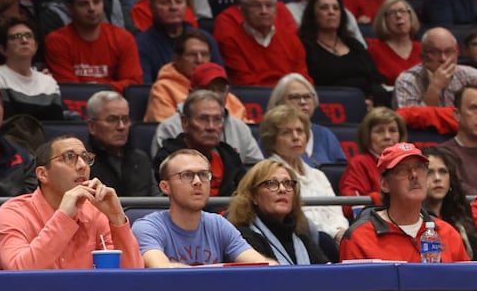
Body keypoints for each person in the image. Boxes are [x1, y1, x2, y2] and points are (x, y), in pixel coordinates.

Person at [0, 136, 144, 270]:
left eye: (86, 158)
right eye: (69, 157)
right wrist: (64, 217)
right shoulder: (12, 214)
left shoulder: (97, 214)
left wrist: (117, 219)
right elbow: (19, 272)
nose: (82, 165)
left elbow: (132, 279)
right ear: (43, 174)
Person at [133, 149, 270, 267]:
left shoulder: (218, 224)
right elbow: (161, 269)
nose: (198, 182)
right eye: (187, 175)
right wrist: (221, 269)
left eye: (203, 174)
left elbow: (262, 266)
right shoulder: (148, 227)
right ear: (165, 187)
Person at [340, 143, 470, 262]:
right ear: (384, 184)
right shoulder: (359, 237)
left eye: (419, 168)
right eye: (403, 169)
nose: (414, 175)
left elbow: (467, 284)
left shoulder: (448, 234)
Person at [258, 103, 345, 240]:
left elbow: (336, 213)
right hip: (300, 238)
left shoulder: (318, 175)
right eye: (286, 132)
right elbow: (297, 219)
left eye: (300, 131)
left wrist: (341, 231)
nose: (295, 137)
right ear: (272, 140)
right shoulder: (269, 174)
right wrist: (334, 234)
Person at [228, 158, 333, 265]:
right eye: (272, 183)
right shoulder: (243, 238)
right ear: (253, 196)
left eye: (288, 183)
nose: (282, 189)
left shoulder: (302, 235)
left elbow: (326, 272)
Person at [44, 0, 142, 90]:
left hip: (116, 103)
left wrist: (96, 88)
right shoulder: (57, 41)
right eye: (83, 4)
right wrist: (105, 87)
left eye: (96, 2)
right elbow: (68, 89)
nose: (92, 8)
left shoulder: (124, 38)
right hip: (74, 105)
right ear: (70, 9)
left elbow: (133, 84)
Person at [215, 0, 308, 86]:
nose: (264, 11)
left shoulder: (292, 40)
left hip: (290, 97)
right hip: (253, 98)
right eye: (256, 5)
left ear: (276, 9)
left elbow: (302, 79)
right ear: (242, 10)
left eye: (269, 5)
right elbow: (243, 82)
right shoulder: (231, 40)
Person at [0, 15, 65, 120]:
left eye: (28, 35)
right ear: (2, 49)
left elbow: (56, 124)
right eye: (16, 37)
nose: (24, 40)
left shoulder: (48, 82)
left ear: (36, 46)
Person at [80, 90, 157, 198]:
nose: (121, 126)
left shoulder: (141, 159)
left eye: (125, 119)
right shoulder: (82, 163)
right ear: (92, 126)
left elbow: (155, 201)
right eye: (112, 120)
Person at [421, 147, 477, 260]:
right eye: (429, 172)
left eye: (443, 172)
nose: (437, 178)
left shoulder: (461, 218)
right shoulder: (414, 221)